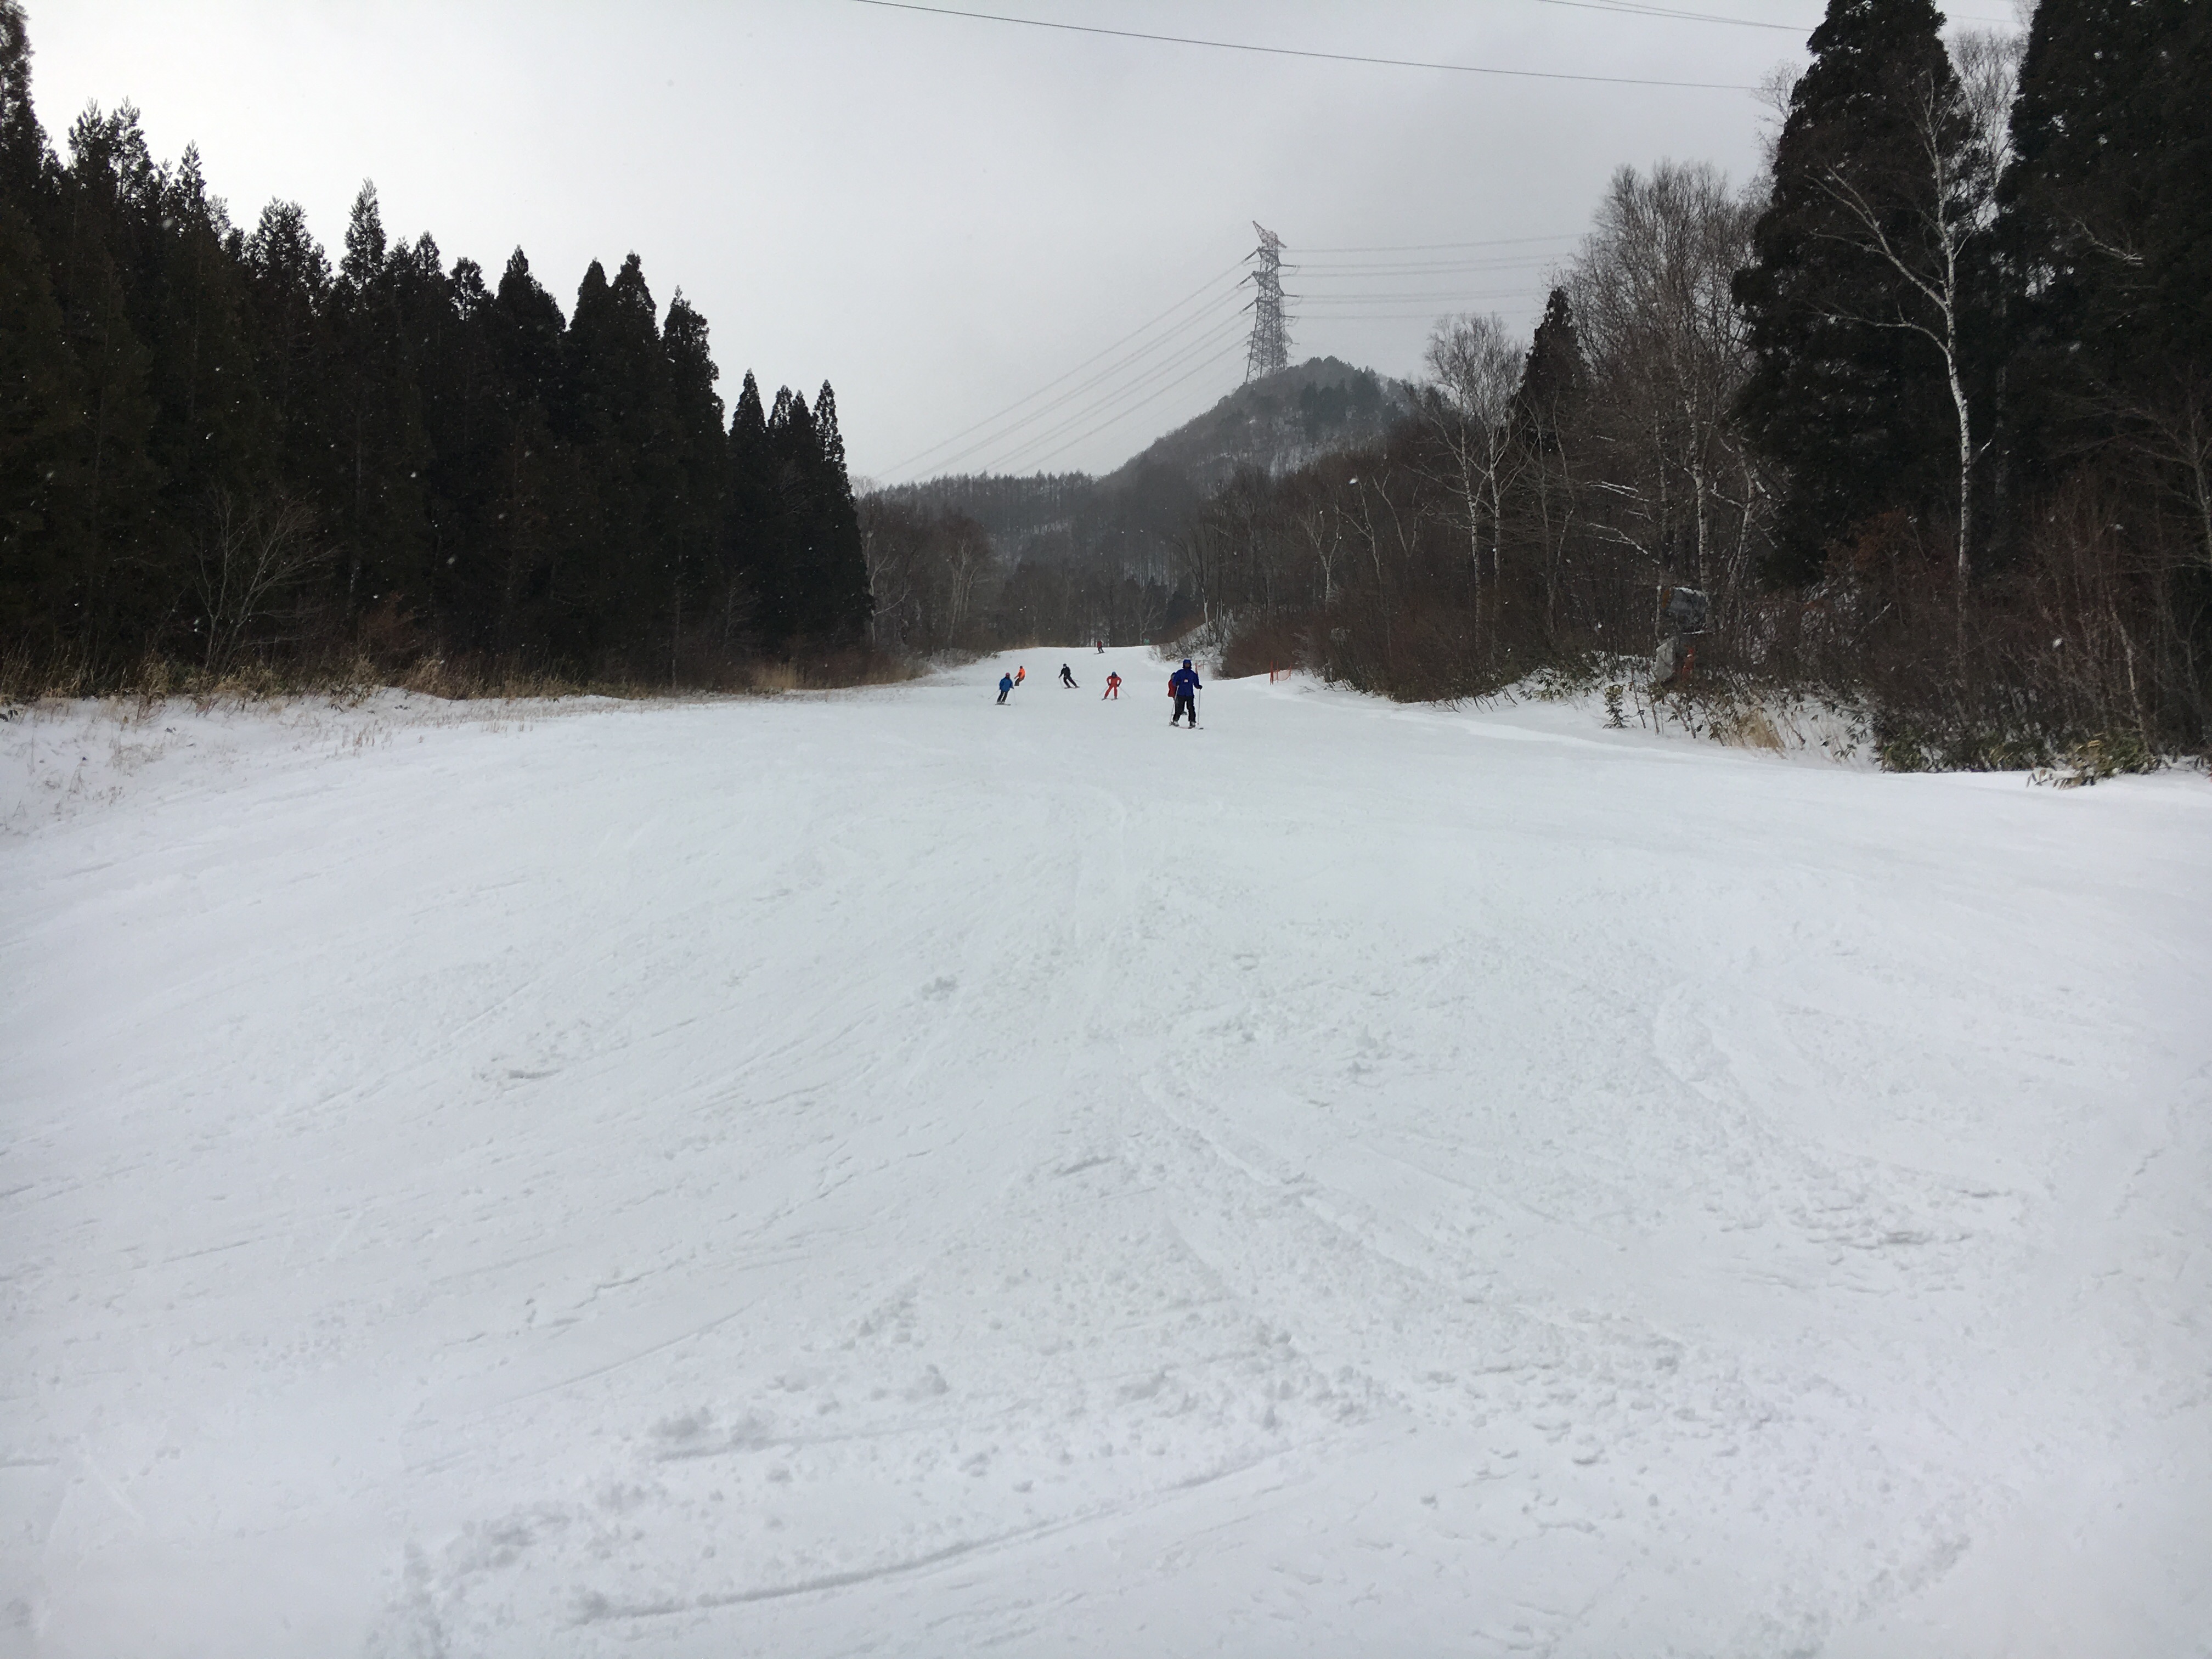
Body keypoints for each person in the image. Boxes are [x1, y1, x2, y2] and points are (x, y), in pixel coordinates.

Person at [1168, 658, 1202, 727]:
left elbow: (1196, 683)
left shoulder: (1192, 674)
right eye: (1186, 664)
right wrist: (1176, 683)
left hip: (1190, 694)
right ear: (1184, 665)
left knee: (1191, 708)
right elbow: (1174, 682)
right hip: (1181, 693)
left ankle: (1192, 721)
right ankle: (1175, 720)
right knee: (1180, 708)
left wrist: (1198, 686)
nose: (1187, 665)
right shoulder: (1180, 673)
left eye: (1188, 664)